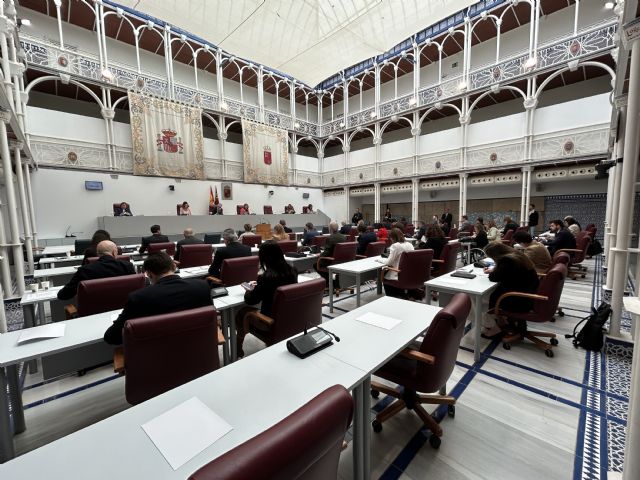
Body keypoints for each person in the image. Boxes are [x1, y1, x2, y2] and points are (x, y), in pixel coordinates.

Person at [103, 252, 211, 345]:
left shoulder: (139, 297)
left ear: (149, 274)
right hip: (196, 346)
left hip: (157, 353)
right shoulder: (202, 286)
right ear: (174, 267)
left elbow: (112, 337)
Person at [234, 241, 298, 357]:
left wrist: (249, 289)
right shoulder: (293, 271)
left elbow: (251, 300)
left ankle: (237, 349)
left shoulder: (266, 278)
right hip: (290, 317)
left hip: (269, 322)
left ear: (263, 258)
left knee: (241, 313)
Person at [482, 242, 539, 338]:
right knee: (491, 294)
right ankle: (502, 320)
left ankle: (494, 327)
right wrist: (497, 269)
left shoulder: (507, 261)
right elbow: (509, 273)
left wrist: (495, 269)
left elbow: (493, 278)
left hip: (518, 299)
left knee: (482, 299)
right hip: (527, 293)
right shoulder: (516, 256)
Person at [58, 240, 135, 301]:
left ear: (98, 254)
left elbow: (63, 295)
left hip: (92, 315)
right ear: (114, 253)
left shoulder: (84, 270)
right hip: (122, 310)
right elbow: (136, 288)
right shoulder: (127, 266)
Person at [383, 228, 419, 299]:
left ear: (393, 238)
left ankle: (391, 298)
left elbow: (388, 262)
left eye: (390, 238)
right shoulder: (410, 244)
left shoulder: (395, 246)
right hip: (409, 274)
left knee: (384, 273)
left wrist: (379, 260)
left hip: (397, 274)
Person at [314, 221, 346, 287]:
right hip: (342, 261)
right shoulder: (344, 237)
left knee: (316, 264)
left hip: (332, 261)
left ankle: (329, 283)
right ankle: (333, 283)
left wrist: (319, 256)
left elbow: (326, 252)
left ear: (330, 229)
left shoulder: (329, 238)